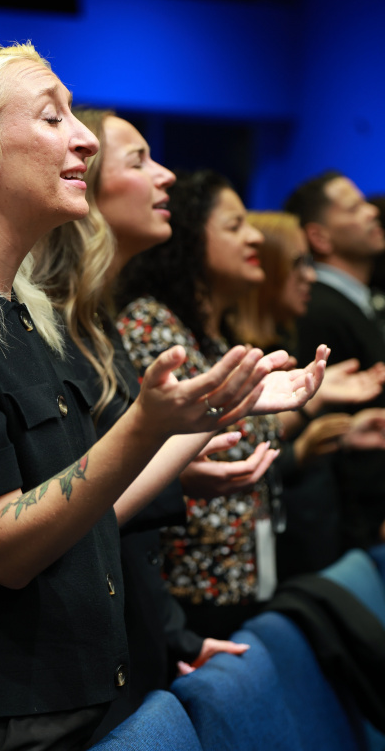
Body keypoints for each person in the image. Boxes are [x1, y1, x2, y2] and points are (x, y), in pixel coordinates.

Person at [0, 36, 326, 751]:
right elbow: (2, 547)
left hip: (72, 702)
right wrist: (148, 424)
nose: (83, 139)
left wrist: (207, 412)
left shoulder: (26, 313)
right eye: (52, 118)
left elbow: (89, 512)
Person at [33, 110, 283, 732]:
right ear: (83, 184)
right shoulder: (56, 324)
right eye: (139, 161)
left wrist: (173, 636)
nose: (166, 175)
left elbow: (107, 511)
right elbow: (67, 516)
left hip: (134, 635)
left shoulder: (98, 319)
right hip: (63, 669)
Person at [116, 170, 308, 638]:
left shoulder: (211, 335)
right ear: (189, 237)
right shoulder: (151, 324)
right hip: (186, 587)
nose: (254, 236)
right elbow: (216, 443)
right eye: (235, 225)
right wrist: (304, 412)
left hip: (235, 577)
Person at [235, 210, 385, 575]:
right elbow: (235, 449)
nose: (311, 276)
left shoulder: (281, 338)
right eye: (297, 264)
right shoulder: (239, 350)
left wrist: (343, 433)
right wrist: (308, 421)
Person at [285, 172, 385, 549]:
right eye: (354, 208)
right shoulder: (319, 309)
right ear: (320, 237)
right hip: (357, 527)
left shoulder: (359, 300)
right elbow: (328, 432)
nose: (372, 212)